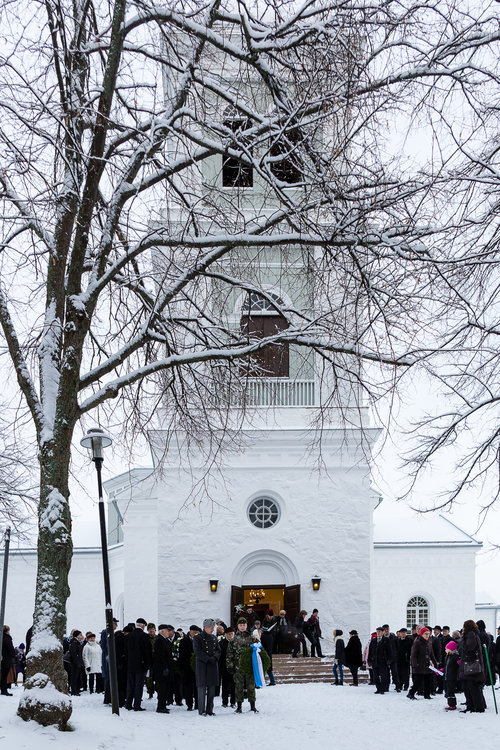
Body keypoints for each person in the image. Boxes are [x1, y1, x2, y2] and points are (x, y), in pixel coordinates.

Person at [226, 617, 259, 713]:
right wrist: (230, 666)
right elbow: (229, 654)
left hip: (250, 667)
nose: (242, 627)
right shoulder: (233, 639)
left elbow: (259, 651)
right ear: (237, 626)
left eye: (244, 625)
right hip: (238, 667)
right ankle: (239, 707)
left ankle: (252, 706)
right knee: (238, 687)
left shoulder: (252, 638)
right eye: (240, 625)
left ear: (246, 626)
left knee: (251, 686)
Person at [193, 618, 221, 716]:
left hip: (213, 666)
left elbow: (218, 650)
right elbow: (197, 651)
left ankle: (210, 709)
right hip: (202, 666)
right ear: (205, 627)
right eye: (210, 627)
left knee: (211, 689)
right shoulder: (198, 638)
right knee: (201, 688)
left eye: (213, 627)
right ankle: (202, 710)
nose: (212, 629)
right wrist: (207, 659)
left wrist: (215, 658)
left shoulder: (214, 638)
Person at [458, 619, 486, 713]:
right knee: (469, 687)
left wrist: (462, 644)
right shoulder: (471, 634)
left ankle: (478, 707)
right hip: (470, 665)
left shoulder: (471, 635)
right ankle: (471, 706)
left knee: (473, 687)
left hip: (471, 665)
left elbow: (469, 648)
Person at [125, 617, 152, 711]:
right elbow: (147, 652)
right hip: (140, 665)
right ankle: (137, 705)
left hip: (130, 665)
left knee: (130, 685)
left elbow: (125, 651)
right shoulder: (144, 636)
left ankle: (128, 704)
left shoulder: (128, 636)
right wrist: (148, 664)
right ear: (143, 626)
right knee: (138, 686)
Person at [407, 627, 437, 700]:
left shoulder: (429, 642)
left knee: (428, 681)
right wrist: (415, 665)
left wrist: (435, 663)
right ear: (421, 634)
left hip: (427, 665)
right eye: (425, 634)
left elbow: (431, 654)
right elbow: (413, 655)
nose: (427, 636)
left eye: (428, 634)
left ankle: (427, 695)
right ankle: (411, 693)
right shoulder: (417, 642)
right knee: (418, 682)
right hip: (419, 665)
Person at [153, 624, 174, 714]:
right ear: (162, 631)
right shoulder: (159, 640)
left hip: (166, 668)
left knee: (165, 688)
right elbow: (160, 656)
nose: (168, 632)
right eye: (166, 630)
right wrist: (164, 667)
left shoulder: (164, 640)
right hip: (162, 669)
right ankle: (160, 706)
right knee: (162, 688)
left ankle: (163, 705)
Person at [179, 625, 201, 711]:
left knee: (197, 687)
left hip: (197, 668)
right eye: (194, 632)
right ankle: (189, 704)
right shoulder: (184, 641)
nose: (196, 634)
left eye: (197, 632)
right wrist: (182, 668)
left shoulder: (199, 641)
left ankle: (198, 704)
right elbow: (181, 656)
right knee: (188, 687)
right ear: (190, 632)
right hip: (187, 668)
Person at [368, 626, 391, 694]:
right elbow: (370, 652)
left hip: (383, 661)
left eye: (380, 632)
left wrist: (389, 660)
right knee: (375, 677)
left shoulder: (386, 640)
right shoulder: (373, 641)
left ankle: (382, 689)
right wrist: (369, 660)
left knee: (383, 676)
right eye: (377, 631)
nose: (378, 633)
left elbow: (390, 651)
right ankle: (378, 688)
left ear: (383, 632)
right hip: (375, 661)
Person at [219, 627, 236, 707]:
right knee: (225, 686)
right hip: (224, 668)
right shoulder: (221, 643)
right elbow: (220, 656)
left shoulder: (236, 642)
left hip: (234, 668)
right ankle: (224, 702)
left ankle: (233, 702)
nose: (230, 636)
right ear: (225, 635)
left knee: (234, 685)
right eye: (229, 634)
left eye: (232, 634)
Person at [261, 612, 277, 685]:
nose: (270, 617)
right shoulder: (264, 621)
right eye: (269, 616)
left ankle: (271, 681)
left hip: (268, 641)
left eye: (271, 616)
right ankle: (264, 681)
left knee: (268, 664)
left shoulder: (274, 621)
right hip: (265, 642)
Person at [443, 640, 460, 711]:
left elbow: (459, 665)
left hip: (452, 677)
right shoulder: (448, 656)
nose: (445, 650)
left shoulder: (455, 656)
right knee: (447, 690)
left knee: (450, 691)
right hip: (447, 676)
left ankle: (452, 705)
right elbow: (446, 666)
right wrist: (442, 670)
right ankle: (450, 703)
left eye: (446, 648)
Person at [1, 625, 16, 696]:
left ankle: (3, 689)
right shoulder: (7, 638)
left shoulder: (1, 637)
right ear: (7, 630)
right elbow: (10, 649)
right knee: (4, 676)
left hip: (2, 658)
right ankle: (4, 690)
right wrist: (14, 656)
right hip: (6, 659)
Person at [69, 630, 85, 696]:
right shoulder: (74, 642)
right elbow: (74, 654)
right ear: (77, 635)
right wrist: (77, 662)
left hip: (78, 662)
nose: (81, 636)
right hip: (74, 663)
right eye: (80, 635)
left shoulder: (79, 642)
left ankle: (77, 690)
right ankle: (74, 691)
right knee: (74, 677)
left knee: (77, 677)